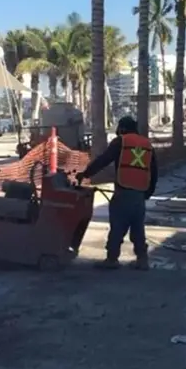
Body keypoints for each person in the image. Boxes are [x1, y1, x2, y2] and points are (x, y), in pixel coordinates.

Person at [76, 116, 158, 271]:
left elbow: (103, 160)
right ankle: (142, 259)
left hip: (123, 192)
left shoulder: (121, 142)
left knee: (118, 225)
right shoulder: (147, 145)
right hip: (139, 193)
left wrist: (85, 174)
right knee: (138, 227)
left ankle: (112, 258)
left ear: (122, 128)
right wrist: (148, 192)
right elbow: (153, 171)